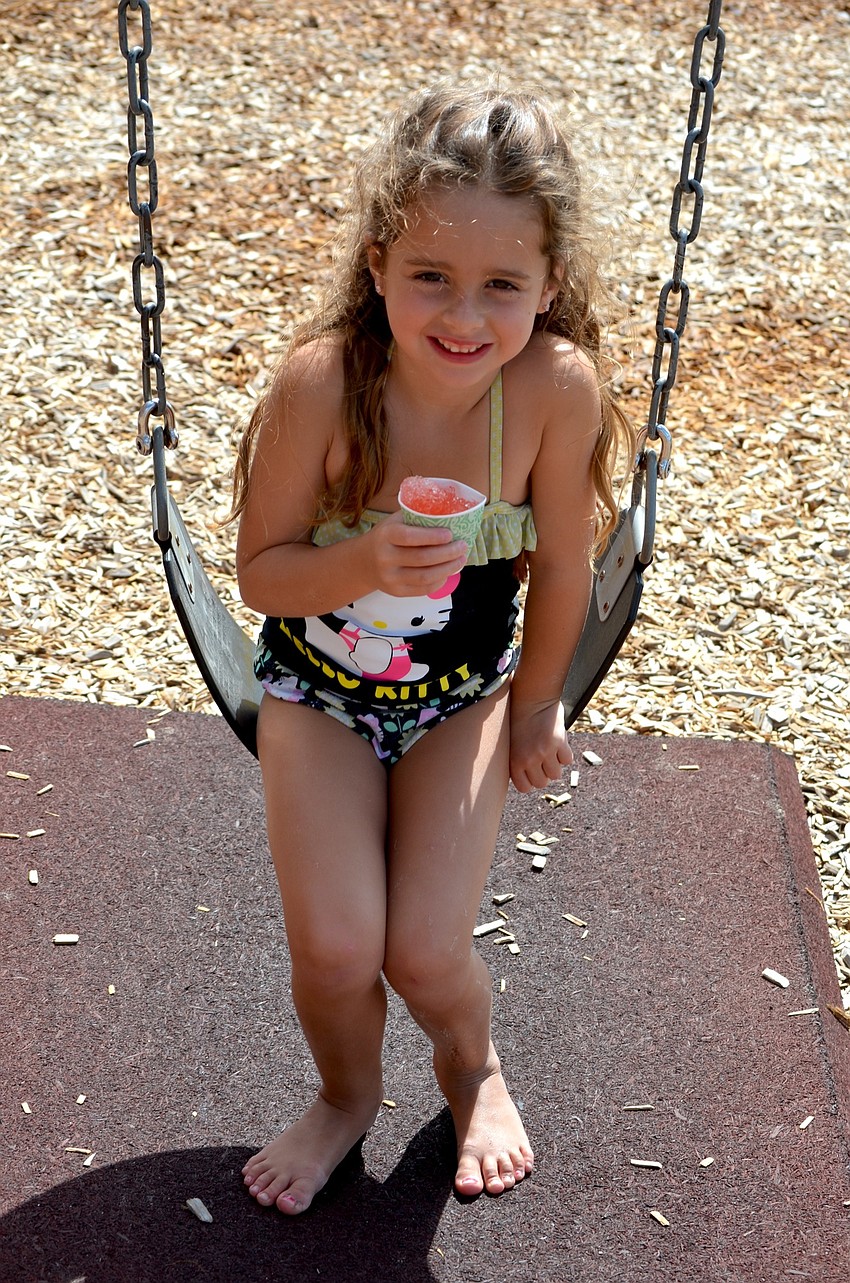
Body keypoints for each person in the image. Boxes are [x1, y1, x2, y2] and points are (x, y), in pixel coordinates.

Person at [231, 81, 633, 1216]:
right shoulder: (326, 384)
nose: (465, 315)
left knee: (423, 947)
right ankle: (344, 1094)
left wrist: (543, 702)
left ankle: (471, 1065)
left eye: (503, 284)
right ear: (376, 266)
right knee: (337, 941)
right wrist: (360, 566)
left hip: (461, 698)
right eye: (430, 277)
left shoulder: (551, 390)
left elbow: (559, 568)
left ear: (549, 285)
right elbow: (263, 575)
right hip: (316, 689)